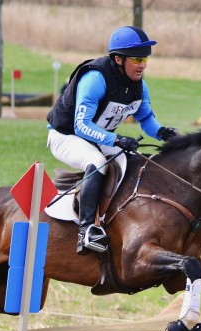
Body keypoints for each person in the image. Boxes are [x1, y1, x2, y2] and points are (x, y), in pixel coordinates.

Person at [46, 26, 179, 255]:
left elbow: (146, 118)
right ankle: (86, 230)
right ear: (118, 59)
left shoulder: (139, 86)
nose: (143, 64)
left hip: (98, 137)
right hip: (65, 136)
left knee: (135, 161)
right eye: (137, 58)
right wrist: (116, 138)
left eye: (145, 58)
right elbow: (82, 125)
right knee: (97, 162)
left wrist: (163, 133)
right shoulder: (95, 79)